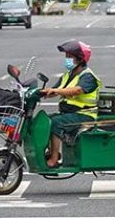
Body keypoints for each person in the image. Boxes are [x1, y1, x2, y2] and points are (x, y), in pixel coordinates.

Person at [41, 40, 102, 168]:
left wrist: (56, 90)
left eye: (70, 57)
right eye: (66, 56)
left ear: (80, 59)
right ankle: (50, 152)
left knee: (56, 123)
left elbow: (77, 90)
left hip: (85, 115)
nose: (67, 59)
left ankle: (54, 158)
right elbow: (56, 90)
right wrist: (41, 93)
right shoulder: (68, 75)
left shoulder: (88, 76)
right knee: (44, 121)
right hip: (70, 114)